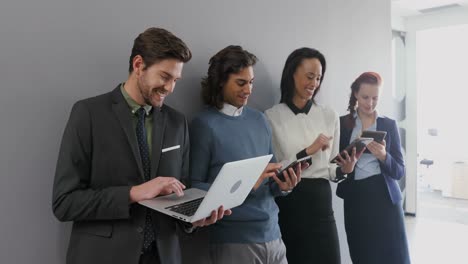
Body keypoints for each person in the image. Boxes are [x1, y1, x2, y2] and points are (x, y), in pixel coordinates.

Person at [52, 27, 229, 264]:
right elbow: (64, 203)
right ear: (138, 65)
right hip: (103, 256)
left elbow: (180, 194)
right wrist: (133, 193)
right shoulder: (88, 114)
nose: (170, 88)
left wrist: (193, 220)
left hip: (163, 257)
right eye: (165, 77)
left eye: (175, 80)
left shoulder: (178, 123)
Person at [189, 45, 303, 264]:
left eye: (251, 82)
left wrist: (285, 185)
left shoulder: (259, 120)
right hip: (234, 241)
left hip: (274, 235)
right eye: (241, 83)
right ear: (221, 81)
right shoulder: (203, 125)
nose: (249, 89)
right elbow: (193, 188)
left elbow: (270, 181)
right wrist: (248, 183)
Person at [265, 47, 361, 264]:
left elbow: (330, 168)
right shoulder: (271, 117)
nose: (314, 84)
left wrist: (345, 170)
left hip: (320, 203)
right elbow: (276, 168)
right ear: (292, 74)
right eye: (310, 76)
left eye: (318, 78)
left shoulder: (329, 115)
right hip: (289, 202)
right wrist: (308, 150)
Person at [336, 72, 411, 264]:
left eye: (375, 98)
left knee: (394, 257)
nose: (370, 103)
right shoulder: (342, 124)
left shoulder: (389, 124)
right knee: (363, 255)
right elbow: (335, 168)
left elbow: (399, 171)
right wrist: (346, 168)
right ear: (355, 94)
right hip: (356, 199)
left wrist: (384, 156)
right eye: (365, 97)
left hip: (386, 200)